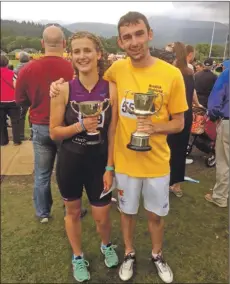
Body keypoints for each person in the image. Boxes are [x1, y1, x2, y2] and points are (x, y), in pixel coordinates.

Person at [50, 12, 188, 284]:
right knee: (126, 213)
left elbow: (180, 123)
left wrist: (154, 127)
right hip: (124, 162)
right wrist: (58, 84)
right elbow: (84, 72)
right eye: (127, 37)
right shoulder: (117, 71)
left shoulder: (171, 74)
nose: (134, 41)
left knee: (156, 215)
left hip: (157, 162)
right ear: (120, 42)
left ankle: (158, 255)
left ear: (150, 34)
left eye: (139, 34)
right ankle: (128, 253)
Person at [49, 31, 118, 282]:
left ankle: (106, 244)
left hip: (99, 161)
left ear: (98, 54)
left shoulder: (111, 88)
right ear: (71, 55)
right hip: (70, 161)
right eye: (76, 51)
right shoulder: (63, 89)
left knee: (102, 215)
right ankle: (78, 256)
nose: (82, 56)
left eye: (87, 50)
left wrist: (110, 167)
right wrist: (80, 126)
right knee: (73, 212)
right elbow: (54, 132)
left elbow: (112, 131)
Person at [15, 26, 75, 223]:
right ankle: (72, 209)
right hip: (65, 127)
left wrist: (35, 103)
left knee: (42, 173)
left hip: (40, 126)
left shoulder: (28, 68)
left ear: (42, 43)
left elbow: (20, 100)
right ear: (64, 44)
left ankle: (43, 213)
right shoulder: (72, 68)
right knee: (67, 171)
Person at [167, 42, 194, 197]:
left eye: (169, 53)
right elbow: (193, 93)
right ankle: (175, 184)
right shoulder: (189, 72)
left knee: (170, 149)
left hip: (175, 115)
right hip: (186, 114)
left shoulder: (174, 73)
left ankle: (169, 182)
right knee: (179, 150)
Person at [205, 68, 229, 208]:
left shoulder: (227, 73)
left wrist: (214, 116)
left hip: (227, 121)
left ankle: (220, 197)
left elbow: (215, 99)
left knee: (224, 162)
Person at [0, 54, 21, 146]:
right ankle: (16, 140)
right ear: (7, 63)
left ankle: (3, 141)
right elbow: (17, 86)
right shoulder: (13, 74)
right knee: (15, 121)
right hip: (13, 101)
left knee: (1, 122)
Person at [13, 51, 31, 140]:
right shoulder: (32, 67)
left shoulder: (16, 70)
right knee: (33, 114)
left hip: (22, 95)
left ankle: (21, 135)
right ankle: (33, 135)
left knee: (21, 115)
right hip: (33, 93)